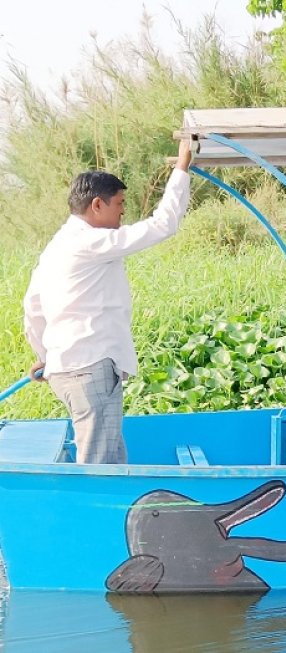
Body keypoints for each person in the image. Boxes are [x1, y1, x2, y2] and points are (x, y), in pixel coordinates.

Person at [23, 140, 194, 464]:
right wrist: (182, 167)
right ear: (97, 205)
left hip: (71, 368)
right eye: (120, 204)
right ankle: (84, 517)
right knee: (99, 462)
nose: (123, 213)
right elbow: (163, 225)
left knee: (112, 456)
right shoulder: (90, 241)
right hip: (89, 368)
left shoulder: (57, 246)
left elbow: (32, 307)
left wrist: (47, 356)